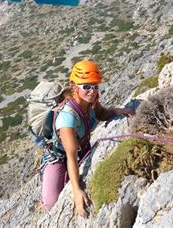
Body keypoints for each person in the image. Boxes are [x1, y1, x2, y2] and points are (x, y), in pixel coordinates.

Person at [40, 59, 134, 217]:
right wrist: (77, 191)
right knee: (51, 202)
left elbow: (101, 114)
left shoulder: (90, 101)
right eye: (87, 87)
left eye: (95, 86)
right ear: (74, 86)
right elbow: (71, 157)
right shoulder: (67, 117)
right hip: (59, 156)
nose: (92, 91)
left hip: (81, 149)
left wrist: (116, 111)